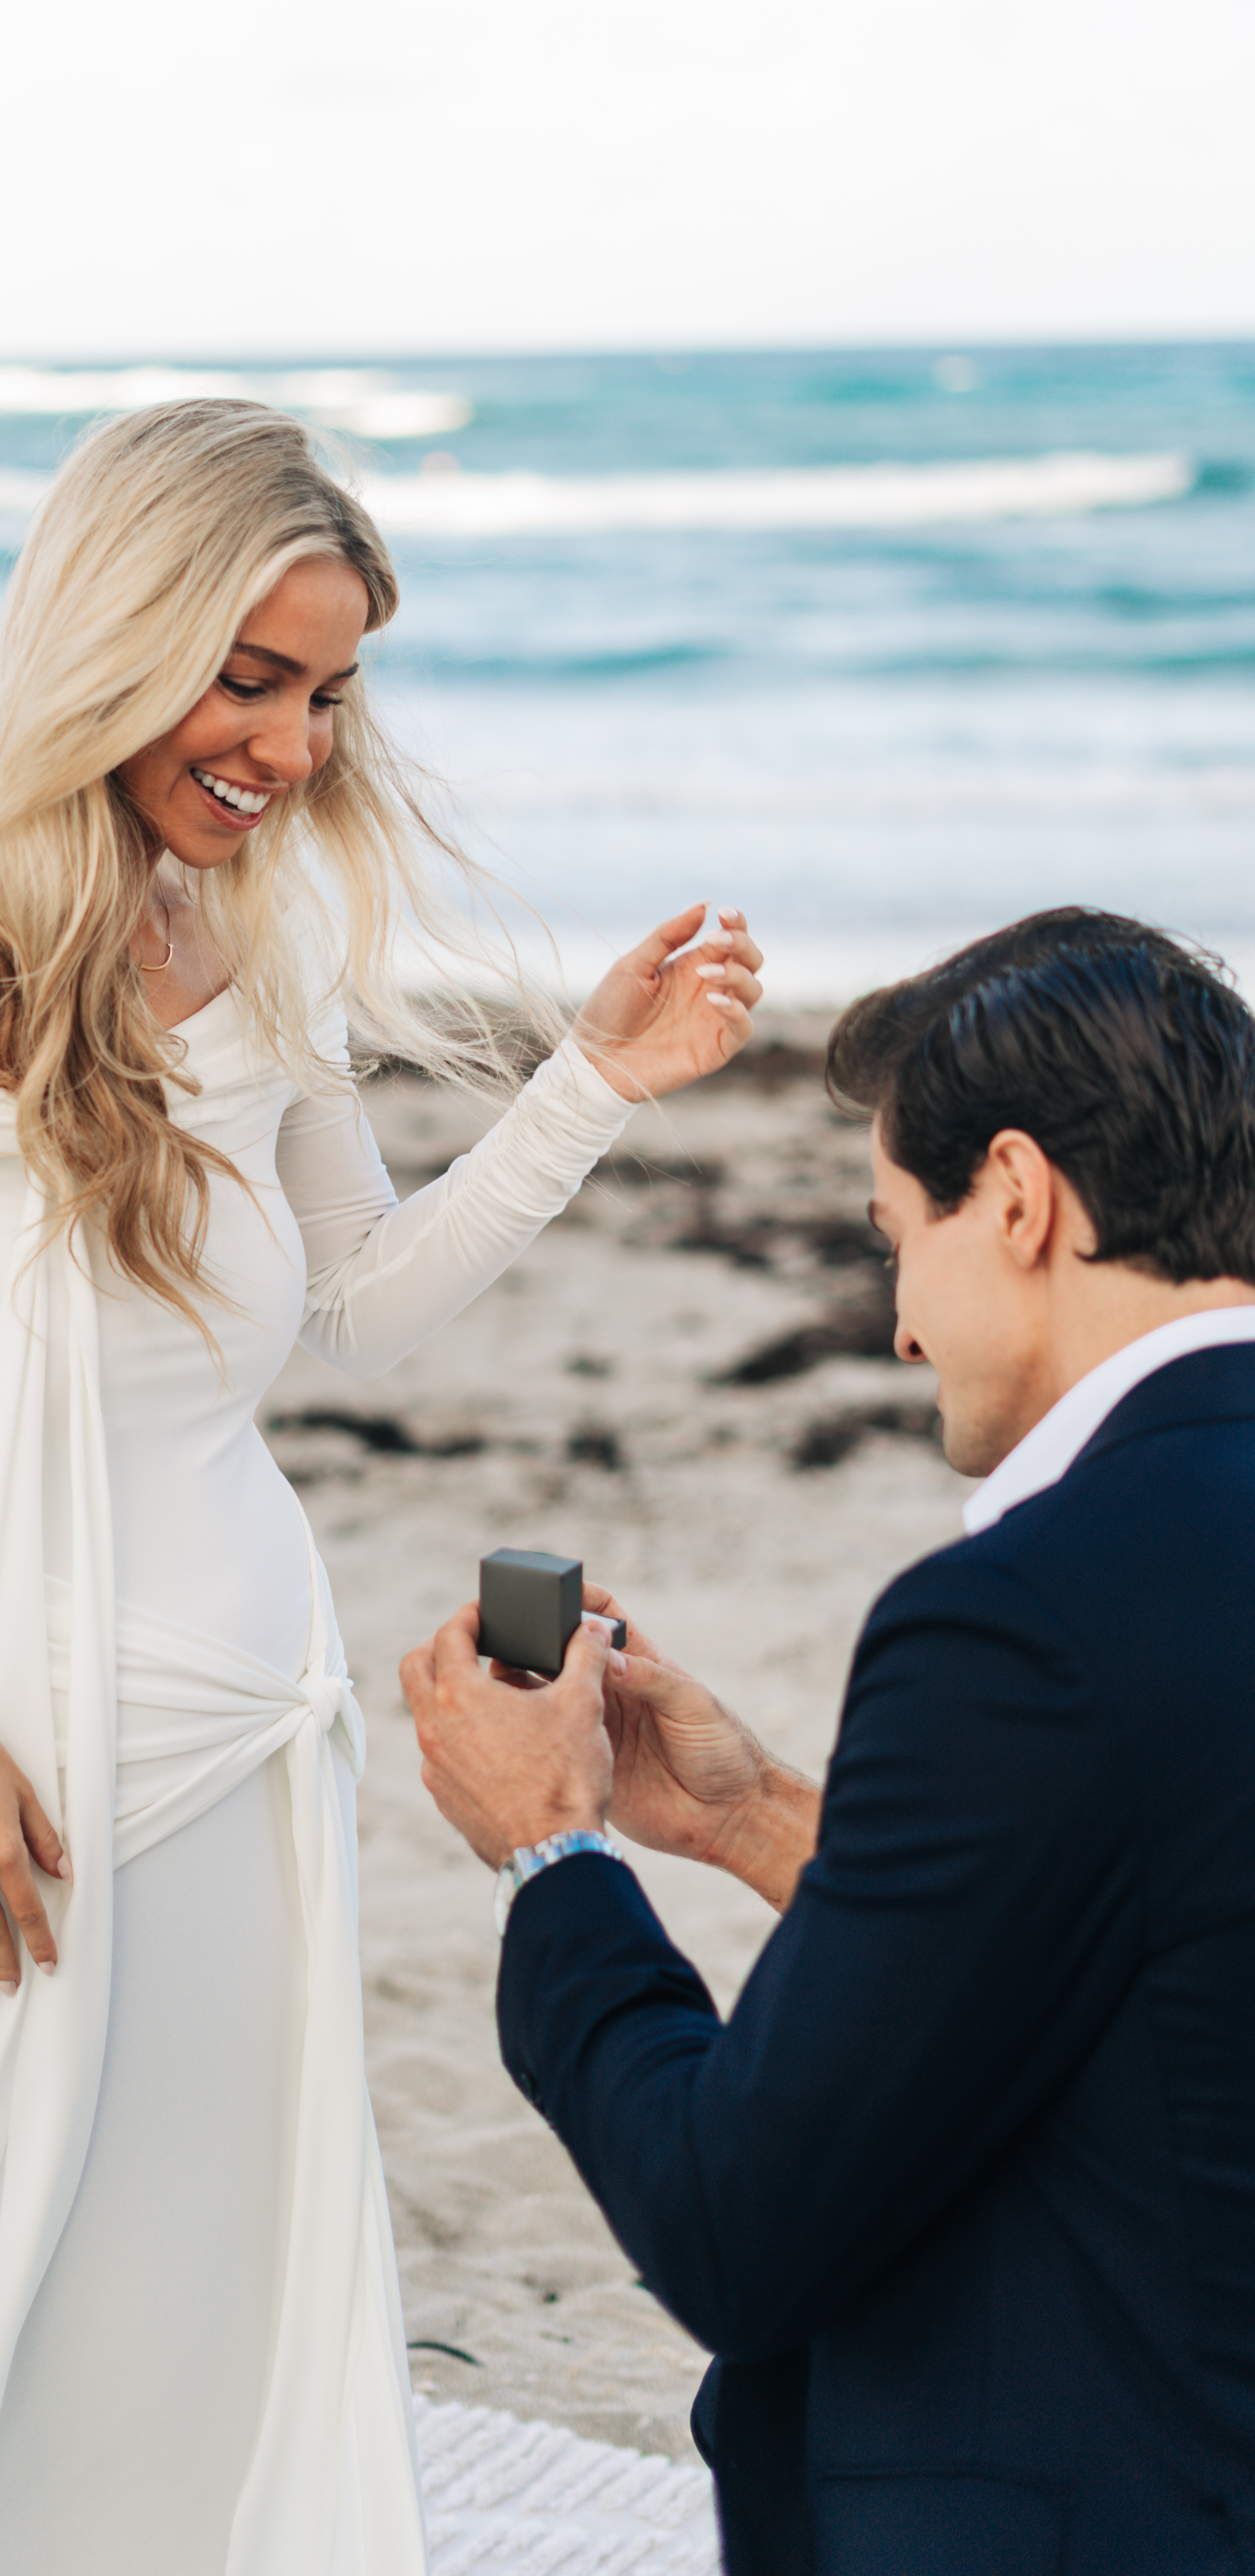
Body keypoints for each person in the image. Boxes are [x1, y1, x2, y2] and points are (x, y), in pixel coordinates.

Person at [0, 398, 764, 2576]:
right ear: (112, 636)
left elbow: (358, 1304)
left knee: (222, 2324)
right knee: (3, 2335)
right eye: (248, 678)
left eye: (326, 695)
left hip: (254, 1736)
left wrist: (589, 1085)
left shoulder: (257, 940)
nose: (290, 749)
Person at [401, 907, 1255, 2576]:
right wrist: (757, 1816)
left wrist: (552, 1853)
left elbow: (734, 2226)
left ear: (1017, 1198)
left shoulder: (1022, 1620)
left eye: (898, 1242)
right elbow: (1163, 1950)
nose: (903, 1330)